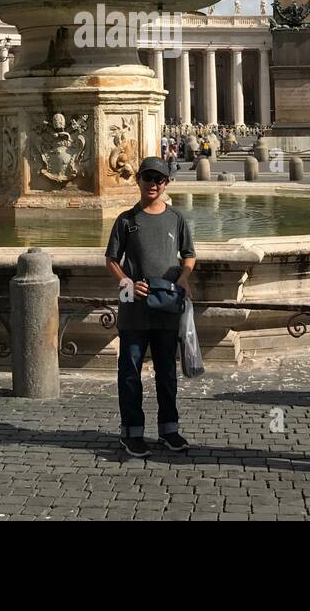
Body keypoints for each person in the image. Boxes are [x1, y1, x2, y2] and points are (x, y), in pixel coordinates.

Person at [104, 156, 196, 458]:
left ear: (166, 183)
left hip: (166, 305)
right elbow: (111, 259)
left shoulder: (177, 218)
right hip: (134, 307)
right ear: (138, 181)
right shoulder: (126, 220)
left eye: (158, 179)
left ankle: (169, 429)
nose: (153, 184)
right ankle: (131, 432)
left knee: (167, 372)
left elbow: (189, 255)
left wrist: (184, 278)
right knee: (129, 371)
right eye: (148, 178)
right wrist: (127, 283)